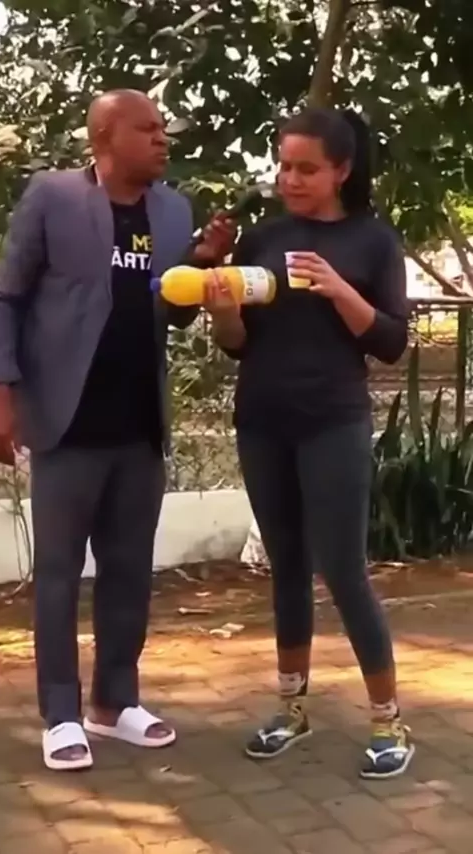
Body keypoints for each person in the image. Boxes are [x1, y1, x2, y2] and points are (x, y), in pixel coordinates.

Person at [0, 89, 235, 771]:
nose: (163, 138)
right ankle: (61, 715)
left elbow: (172, 310)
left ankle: (115, 702)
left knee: (129, 571)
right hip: (67, 421)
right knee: (59, 575)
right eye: (147, 128)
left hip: (138, 424)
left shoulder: (173, 210)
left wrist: (202, 264)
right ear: (104, 136)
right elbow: (5, 296)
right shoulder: (52, 197)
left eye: (163, 128)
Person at [206, 107, 414, 779]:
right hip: (262, 419)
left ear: (341, 171)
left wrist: (337, 288)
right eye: (284, 165)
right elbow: (238, 346)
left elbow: (391, 342)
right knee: (287, 568)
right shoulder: (264, 238)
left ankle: (388, 722)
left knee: (344, 570)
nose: (289, 179)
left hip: (333, 421)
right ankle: (291, 710)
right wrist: (225, 313)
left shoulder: (372, 241)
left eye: (306, 169)